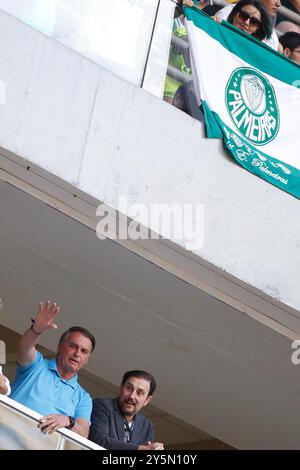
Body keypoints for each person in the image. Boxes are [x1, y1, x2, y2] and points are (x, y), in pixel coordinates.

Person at [10, 300, 95, 438]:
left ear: (86, 360)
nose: (77, 354)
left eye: (84, 351)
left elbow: (83, 433)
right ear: (60, 346)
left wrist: (68, 421)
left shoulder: (83, 398)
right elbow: (25, 348)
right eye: (73, 346)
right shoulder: (37, 365)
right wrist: (36, 330)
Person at [89, 370, 164, 450]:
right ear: (121, 388)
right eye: (129, 388)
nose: (132, 396)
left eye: (139, 393)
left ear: (147, 400)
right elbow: (99, 441)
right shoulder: (103, 405)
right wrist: (140, 449)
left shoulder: (147, 427)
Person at [215, 0, 281, 50]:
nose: (246, 22)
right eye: (243, 16)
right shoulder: (229, 10)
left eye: (254, 22)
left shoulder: (272, 37)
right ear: (234, 14)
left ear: (257, 28)